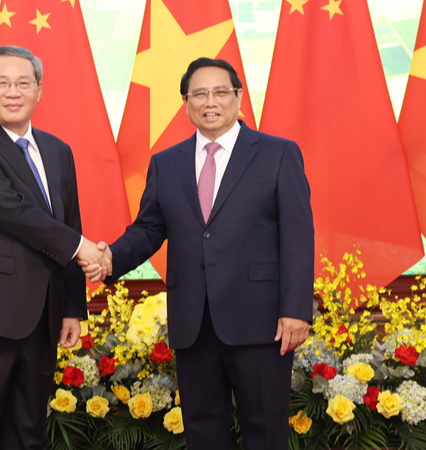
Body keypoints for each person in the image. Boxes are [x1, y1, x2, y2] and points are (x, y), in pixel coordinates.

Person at [85, 57, 314, 450]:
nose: (211, 101)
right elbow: (149, 228)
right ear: (186, 102)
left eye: (221, 91)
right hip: (194, 323)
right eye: (200, 93)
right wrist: (109, 259)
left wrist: (295, 309)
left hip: (260, 322)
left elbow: (298, 235)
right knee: (202, 431)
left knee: (265, 431)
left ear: (238, 97)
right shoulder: (166, 162)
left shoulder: (278, 154)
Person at [0, 45, 109, 450]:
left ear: (39, 90)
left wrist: (72, 306)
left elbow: (68, 224)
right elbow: (11, 211)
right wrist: (84, 248)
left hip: (42, 320)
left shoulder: (57, 150)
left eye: (23, 82)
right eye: (1, 83)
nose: (12, 92)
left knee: (30, 432)